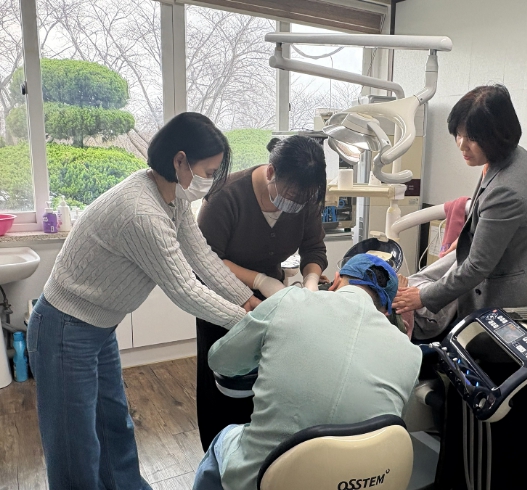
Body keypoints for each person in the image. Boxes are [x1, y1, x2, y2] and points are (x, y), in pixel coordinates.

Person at [26, 112, 260, 490]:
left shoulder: (171, 198)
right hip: (64, 329)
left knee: (114, 428)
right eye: (208, 171)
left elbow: (202, 258)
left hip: (99, 327)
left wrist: (248, 299)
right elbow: (185, 289)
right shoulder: (141, 211)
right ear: (180, 161)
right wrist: (250, 324)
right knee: (75, 449)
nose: (211, 180)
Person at [393, 84, 527, 490]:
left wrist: (421, 296)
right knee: (480, 408)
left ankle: (485, 482)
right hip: (502, 295)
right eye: (459, 134)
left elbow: (477, 268)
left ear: (498, 135)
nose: (461, 145)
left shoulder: (509, 188)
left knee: (497, 413)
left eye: (472, 138)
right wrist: (459, 245)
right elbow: (476, 241)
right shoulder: (508, 160)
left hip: (511, 310)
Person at [193, 254, 422, 490]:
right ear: (386, 311)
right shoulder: (411, 354)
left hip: (267, 478)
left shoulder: (289, 301)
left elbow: (220, 361)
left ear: (335, 280)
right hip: (357, 481)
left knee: (224, 438)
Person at [195, 135, 328, 451]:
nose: (296, 205)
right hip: (220, 301)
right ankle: (218, 457)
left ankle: (261, 454)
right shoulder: (225, 196)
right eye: (291, 197)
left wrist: (311, 282)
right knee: (224, 383)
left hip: (271, 299)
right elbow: (206, 259)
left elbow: (313, 248)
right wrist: (259, 281)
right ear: (270, 173)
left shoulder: (305, 197)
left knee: (266, 382)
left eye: (304, 200)